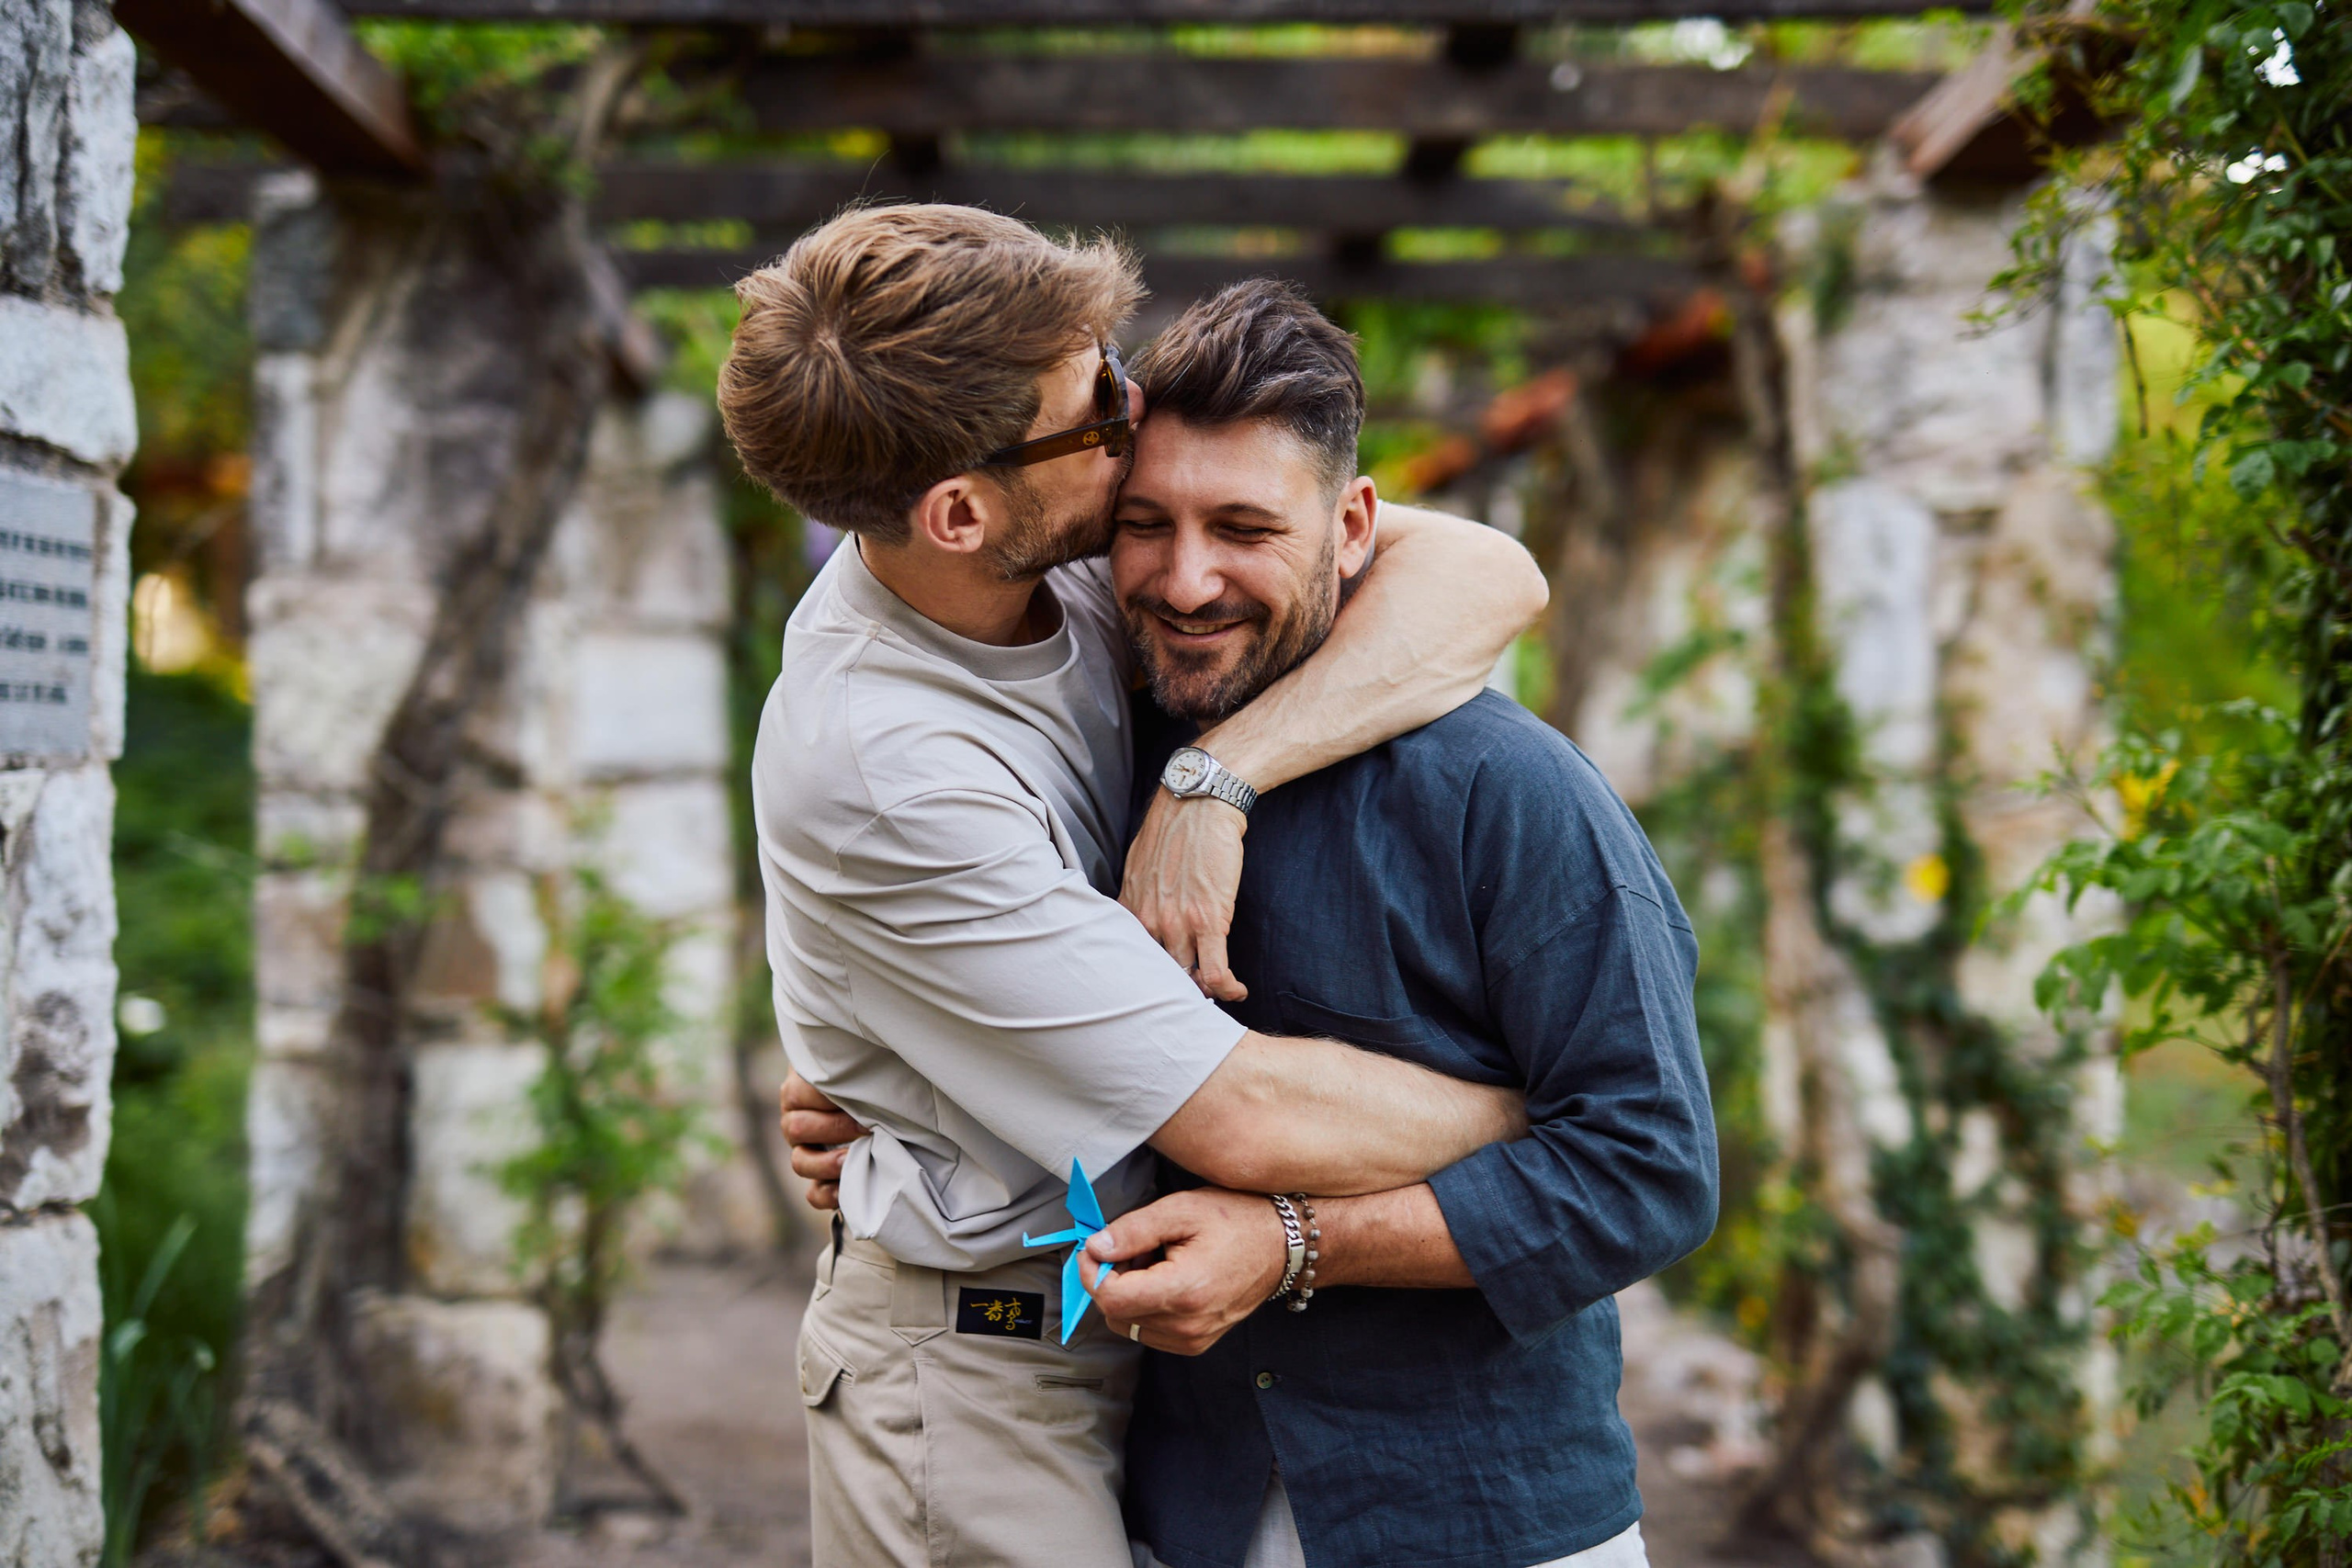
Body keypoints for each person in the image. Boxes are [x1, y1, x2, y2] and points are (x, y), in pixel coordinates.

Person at [789, 278, 1720, 1568]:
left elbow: (1649, 1170)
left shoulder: (1512, 793)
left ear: (1352, 528)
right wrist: (915, 1076)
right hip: (1191, 1503)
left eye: (1243, 527)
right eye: (1145, 524)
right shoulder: (1100, 723)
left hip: (1482, 1514)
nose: (1184, 579)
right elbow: (1141, 1074)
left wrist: (1296, 1243)